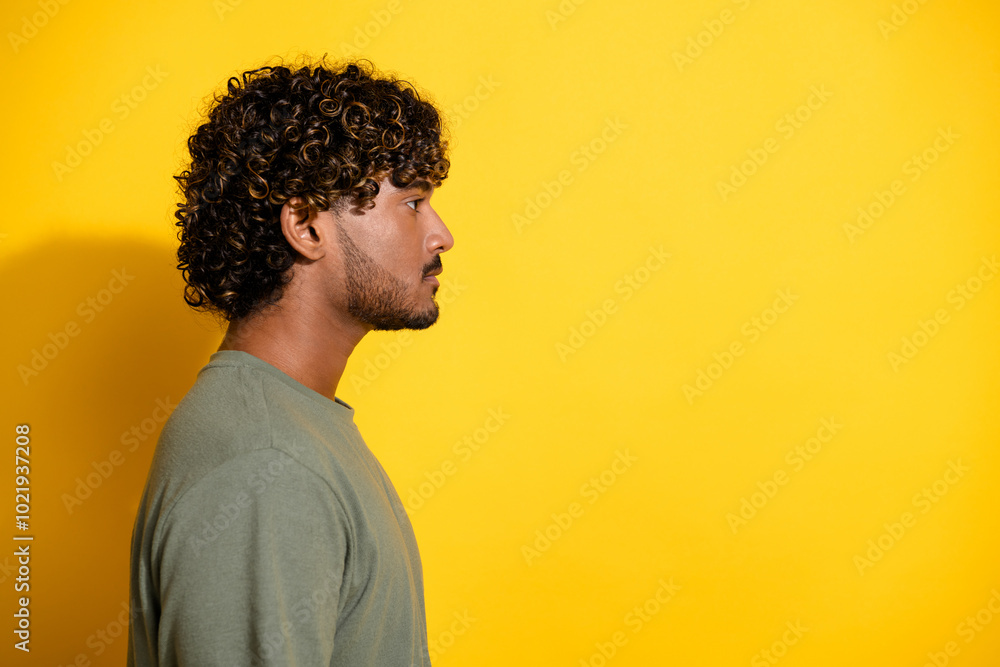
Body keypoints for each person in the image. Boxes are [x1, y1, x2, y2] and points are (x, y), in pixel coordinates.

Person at [127, 58, 454, 666]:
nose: (441, 235)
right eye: (411, 204)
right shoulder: (265, 462)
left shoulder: (296, 430)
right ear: (305, 227)